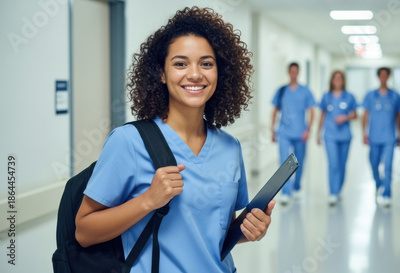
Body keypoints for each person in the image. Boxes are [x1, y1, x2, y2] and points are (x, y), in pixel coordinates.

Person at [74, 7, 275, 273]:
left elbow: (213, 235)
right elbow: (84, 231)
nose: (195, 74)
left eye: (206, 63)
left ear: (219, 73)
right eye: (180, 63)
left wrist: (248, 231)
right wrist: (148, 200)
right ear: (161, 73)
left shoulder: (230, 148)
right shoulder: (129, 142)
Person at [270, 62, 316, 205]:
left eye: (296, 71)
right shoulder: (282, 90)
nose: (293, 73)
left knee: (299, 161)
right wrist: (272, 129)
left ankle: (297, 187)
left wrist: (308, 130)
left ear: (298, 72)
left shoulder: (305, 91)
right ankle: (286, 192)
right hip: (284, 132)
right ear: (288, 72)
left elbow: (312, 111)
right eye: (291, 71)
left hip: (300, 132)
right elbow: (275, 110)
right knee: (285, 161)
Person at [361, 67, 400, 207]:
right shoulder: (371, 95)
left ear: (388, 77)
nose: (384, 78)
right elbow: (365, 114)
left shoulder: (395, 96)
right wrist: (363, 133)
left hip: (389, 137)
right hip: (374, 136)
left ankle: (387, 194)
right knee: (373, 164)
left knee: (388, 166)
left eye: (386, 75)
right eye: (381, 75)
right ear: (378, 77)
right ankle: (378, 184)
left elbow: (399, 117)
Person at [317, 71, 358, 205]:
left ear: (343, 80)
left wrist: (345, 117)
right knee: (333, 163)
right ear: (332, 80)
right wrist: (318, 133)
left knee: (342, 164)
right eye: (335, 78)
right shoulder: (326, 97)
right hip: (330, 135)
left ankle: (339, 189)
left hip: (345, 136)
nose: (338, 80)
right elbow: (322, 115)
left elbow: (355, 115)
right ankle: (332, 192)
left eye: (340, 78)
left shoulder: (349, 96)